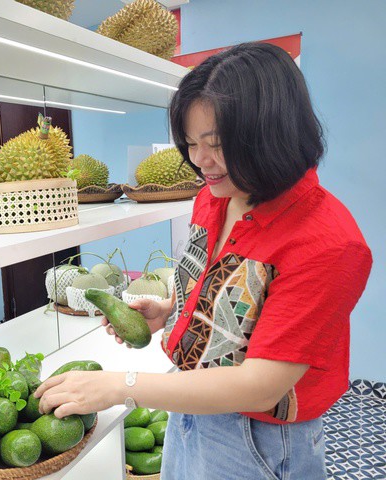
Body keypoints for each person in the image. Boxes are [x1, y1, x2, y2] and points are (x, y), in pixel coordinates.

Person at [34, 42, 372, 479]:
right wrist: (171, 311)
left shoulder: (328, 242)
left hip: (259, 441)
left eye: (216, 144)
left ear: (274, 135)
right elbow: (219, 285)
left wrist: (121, 386)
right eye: (191, 143)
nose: (199, 161)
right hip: (190, 406)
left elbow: (260, 386)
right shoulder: (214, 197)